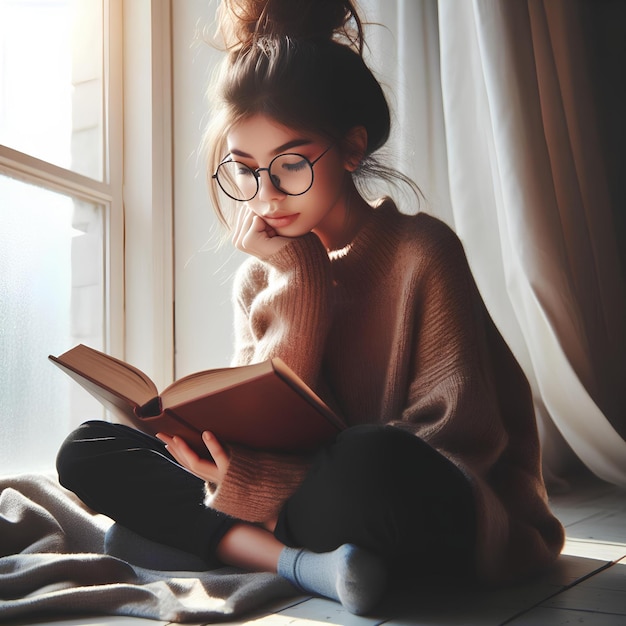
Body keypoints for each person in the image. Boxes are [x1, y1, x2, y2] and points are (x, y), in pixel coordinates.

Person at [56, 0, 565, 616]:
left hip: (408, 496)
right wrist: (296, 277)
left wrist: (243, 482)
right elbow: (263, 422)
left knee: (366, 459)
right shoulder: (261, 276)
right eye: (245, 171)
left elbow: (460, 440)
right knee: (88, 449)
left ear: (350, 149)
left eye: (291, 165)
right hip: (307, 504)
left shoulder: (422, 251)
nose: (266, 197)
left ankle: (218, 537)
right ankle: (297, 560)